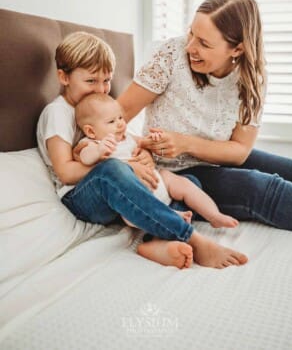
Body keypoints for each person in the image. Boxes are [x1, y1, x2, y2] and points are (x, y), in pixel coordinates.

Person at [37, 30, 248, 270]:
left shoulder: (100, 106)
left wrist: (144, 153)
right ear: (64, 77)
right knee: (113, 169)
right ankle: (193, 238)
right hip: (80, 196)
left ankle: (155, 242)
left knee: (184, 183)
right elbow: (65, 171)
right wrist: (127, 168)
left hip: (112, 190)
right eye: (91, 81)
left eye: (106, 81)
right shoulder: (58, 112)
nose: (101, 89)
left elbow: (127, 139)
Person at [117, 0, 292, 233]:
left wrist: (184, 143)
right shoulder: (172, 55)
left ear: (237, 49)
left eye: (204, 43)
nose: (190, 47)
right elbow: (117, 117)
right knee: (263, 188)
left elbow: (239, 152)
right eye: (191, 33)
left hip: (217, 156)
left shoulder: (251, 78)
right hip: (175, 171)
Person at [74, 92, 238, 229]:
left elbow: (145, 143)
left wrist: (154, 138)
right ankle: (172, 215)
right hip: (136, 194)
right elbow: (85, 158)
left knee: (184, 182)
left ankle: (213, 215)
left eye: (120, 118)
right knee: (130, 215)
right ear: (91, 131)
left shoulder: (128, 137)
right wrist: (99, 150)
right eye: (111, 121)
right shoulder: (92, 143)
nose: (120, 124)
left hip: (157, 181)